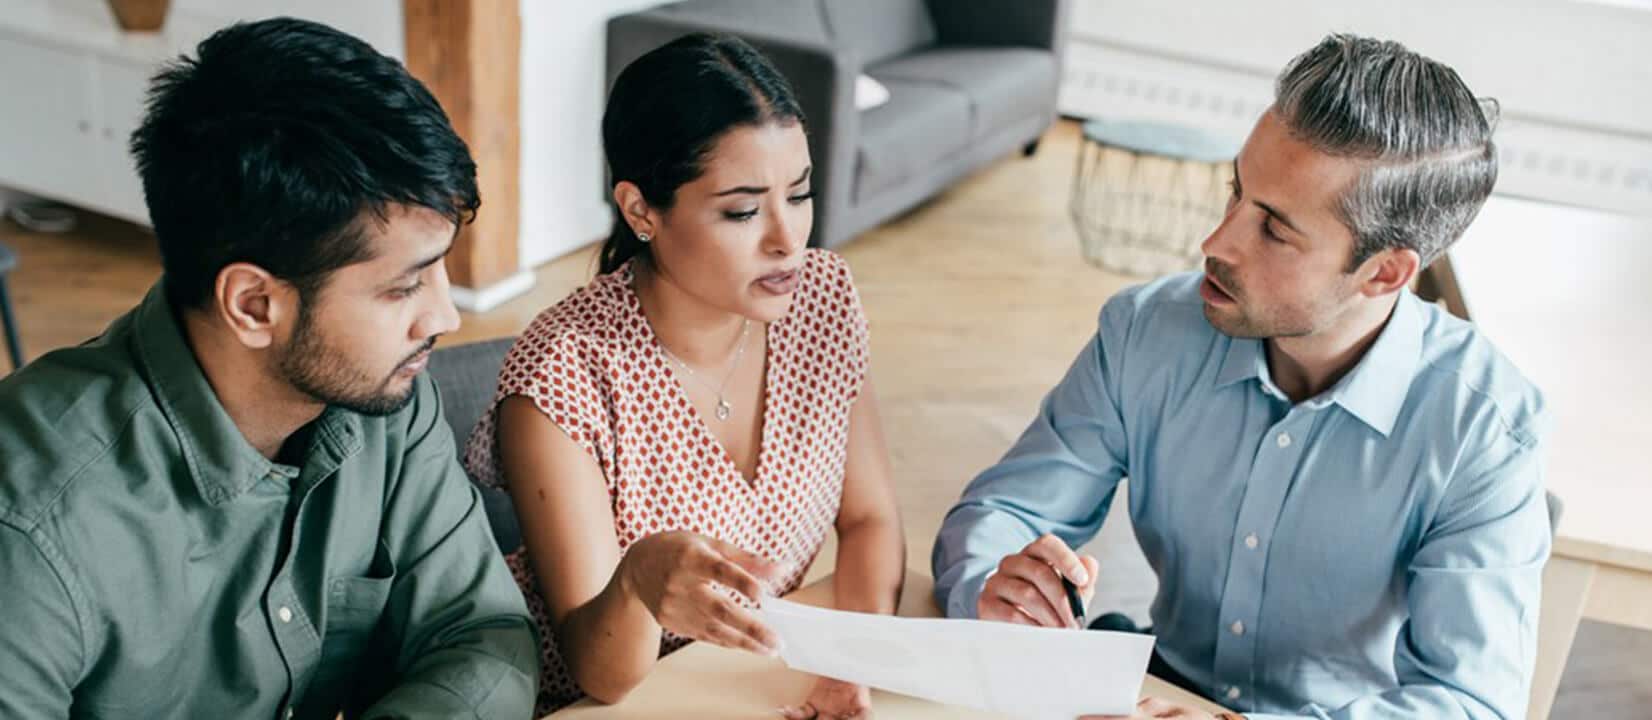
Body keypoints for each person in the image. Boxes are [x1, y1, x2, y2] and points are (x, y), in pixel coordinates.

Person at [933, 34, 1549, 720]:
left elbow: (1471, 703)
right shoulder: (1146, 331)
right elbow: (1006, 512)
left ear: (1384, 272)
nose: (1216, 243)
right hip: (1153, 687)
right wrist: (996, 583)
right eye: (1236, 192)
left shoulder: (1483, 427)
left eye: (1275, 231)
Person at [0, 18, 537, 719]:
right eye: (403, 287)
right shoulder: (34, 526)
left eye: (439, 271)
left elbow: (481, 635)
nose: (444, 317)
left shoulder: (388, 403)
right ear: (254, 304)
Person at [462, 33, 905, 719]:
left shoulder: (820, 299)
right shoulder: (563, 371)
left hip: (750, 680)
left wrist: (854, 665)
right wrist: (641, 579)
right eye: (743, 210)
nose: (789, 238)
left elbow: (871, 519)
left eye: (801, 193)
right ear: (641, 210)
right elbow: (599, 674)